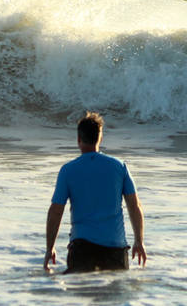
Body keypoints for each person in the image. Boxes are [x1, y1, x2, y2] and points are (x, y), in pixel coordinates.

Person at [45, 111, 147, 273]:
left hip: (82, 250)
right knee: (114, 296)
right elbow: (135, 206)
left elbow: (56, 211)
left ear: (78, 139)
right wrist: (139, 242)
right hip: (115, 250)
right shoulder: (119, 167)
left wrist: (50, 248)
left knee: (81, 296)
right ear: (100, 138)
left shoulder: (68, 170)